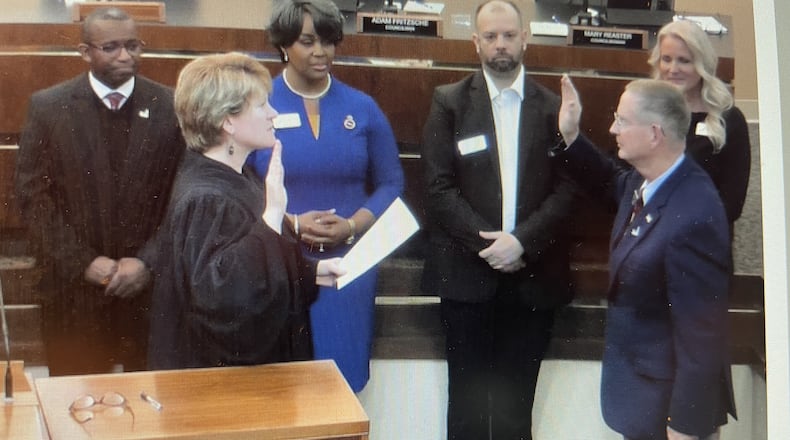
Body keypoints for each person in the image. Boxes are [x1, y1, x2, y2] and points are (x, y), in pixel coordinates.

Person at [420, 1, 578, 438]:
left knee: (514, 414)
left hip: (533, 279)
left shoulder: (552, 109)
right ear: (476, 42)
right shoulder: (448, 102)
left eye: (509, 34)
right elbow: (437, 187)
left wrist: (522, 241)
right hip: (468, 278)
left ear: (525, 37)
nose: (501, 44)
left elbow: (568, 189)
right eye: (490, 36)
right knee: (467, 412)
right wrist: (491, 245)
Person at [556, 75, 736, 440]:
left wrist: (684, 426)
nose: (613, 128)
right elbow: (608, 180)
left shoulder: (695, 210)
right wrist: (572, 135)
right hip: (642, 401)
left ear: (655, 134)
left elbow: (701, 337)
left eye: (622, 121)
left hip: (668, 414)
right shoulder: (649, 182)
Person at [14, 7, 184, 375]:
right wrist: (85, 264)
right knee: (78, 414)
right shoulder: (48, 107)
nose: (125, 56)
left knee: (152, 413)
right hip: (74, 294)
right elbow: (33, 200)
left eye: (133, 45)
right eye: (111, 47)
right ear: (84, 51)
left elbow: (181, 197)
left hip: (147, 293)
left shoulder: (170, 106)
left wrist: (147, 263)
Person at [146, 52, 344, 370]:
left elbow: (254, 273)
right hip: (222, 387)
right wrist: (273, 215)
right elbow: (223, 299)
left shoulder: (238, 176)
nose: (273, 114)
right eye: (262, 105)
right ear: (227, 121)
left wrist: (311, 273)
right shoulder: (206, 198)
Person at [247, 0, 404, 392]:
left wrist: (352, 226)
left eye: (329, 41)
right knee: (283, 387)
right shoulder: (257, 104)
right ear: (284, 45)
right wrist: (292, 222)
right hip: (279, 265)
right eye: (308, 41)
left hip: (348, 268)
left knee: (341, 386)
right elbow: (241, 182)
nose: (321, 52)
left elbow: (391, 183)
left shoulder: (361, 107)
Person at [649, 19, 751, 232]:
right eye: (666, 59)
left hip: (701, 240)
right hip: (650, 235)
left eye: (684, 61)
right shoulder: (646, 110)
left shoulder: (729, 120)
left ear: (702, 64)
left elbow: (731, 206)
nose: (672, 69)